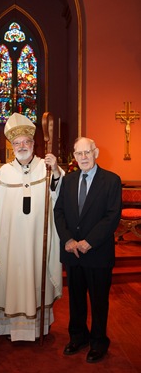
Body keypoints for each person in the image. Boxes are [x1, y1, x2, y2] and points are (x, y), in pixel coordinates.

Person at [0, 112, 65, 342]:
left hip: (38, 240)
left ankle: (39, 326)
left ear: (33, 144)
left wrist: (57, 172)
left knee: (36, 276)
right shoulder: (4, 172)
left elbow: (61, 196)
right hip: (9, 242)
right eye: (17, 143)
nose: (22, 146)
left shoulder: (46, 168)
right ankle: (9, 328)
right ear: (12, 146)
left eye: (26, 142)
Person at [54, 137, 122, 363]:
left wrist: (88, 241)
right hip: (73, 252)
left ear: (96, 152)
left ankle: (99, 341)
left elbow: (112, 216)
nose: (83, 157)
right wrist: (68, 240)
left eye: (87, 152)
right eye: (78, 153)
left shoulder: (111, 180)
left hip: (98, 252)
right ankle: (78, 337)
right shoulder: (68, 180)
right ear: (73, 156)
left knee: (99, 300)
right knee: (75, 299)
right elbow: (59, 211)